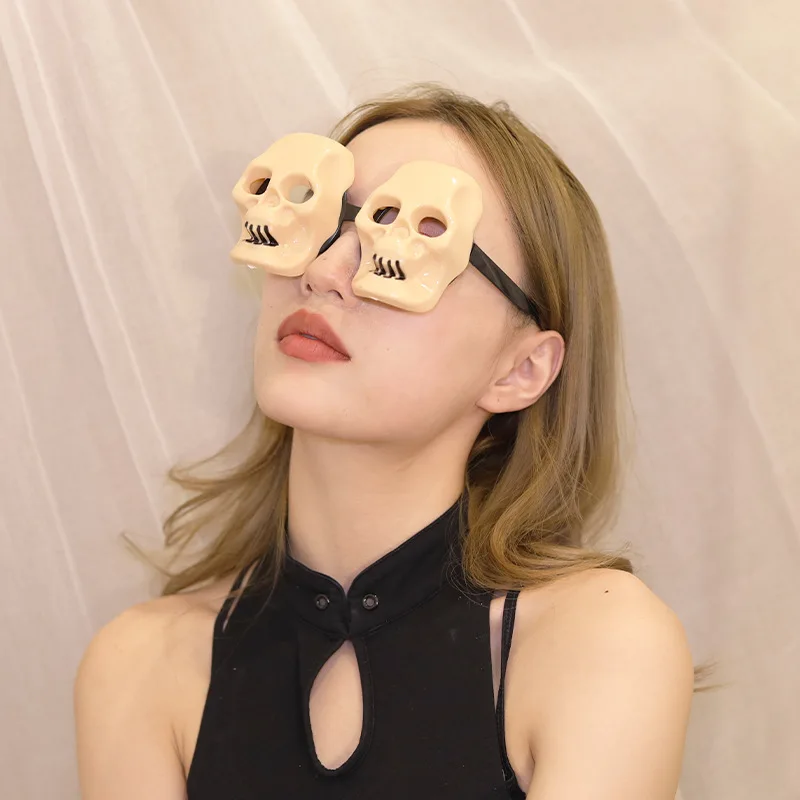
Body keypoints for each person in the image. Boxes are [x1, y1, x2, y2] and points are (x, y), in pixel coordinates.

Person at [74, 84, 694, 799]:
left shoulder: (597, 643)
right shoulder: (140, 665)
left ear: (520, 370)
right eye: (317, 218)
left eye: (413, 239)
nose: (322, 273)